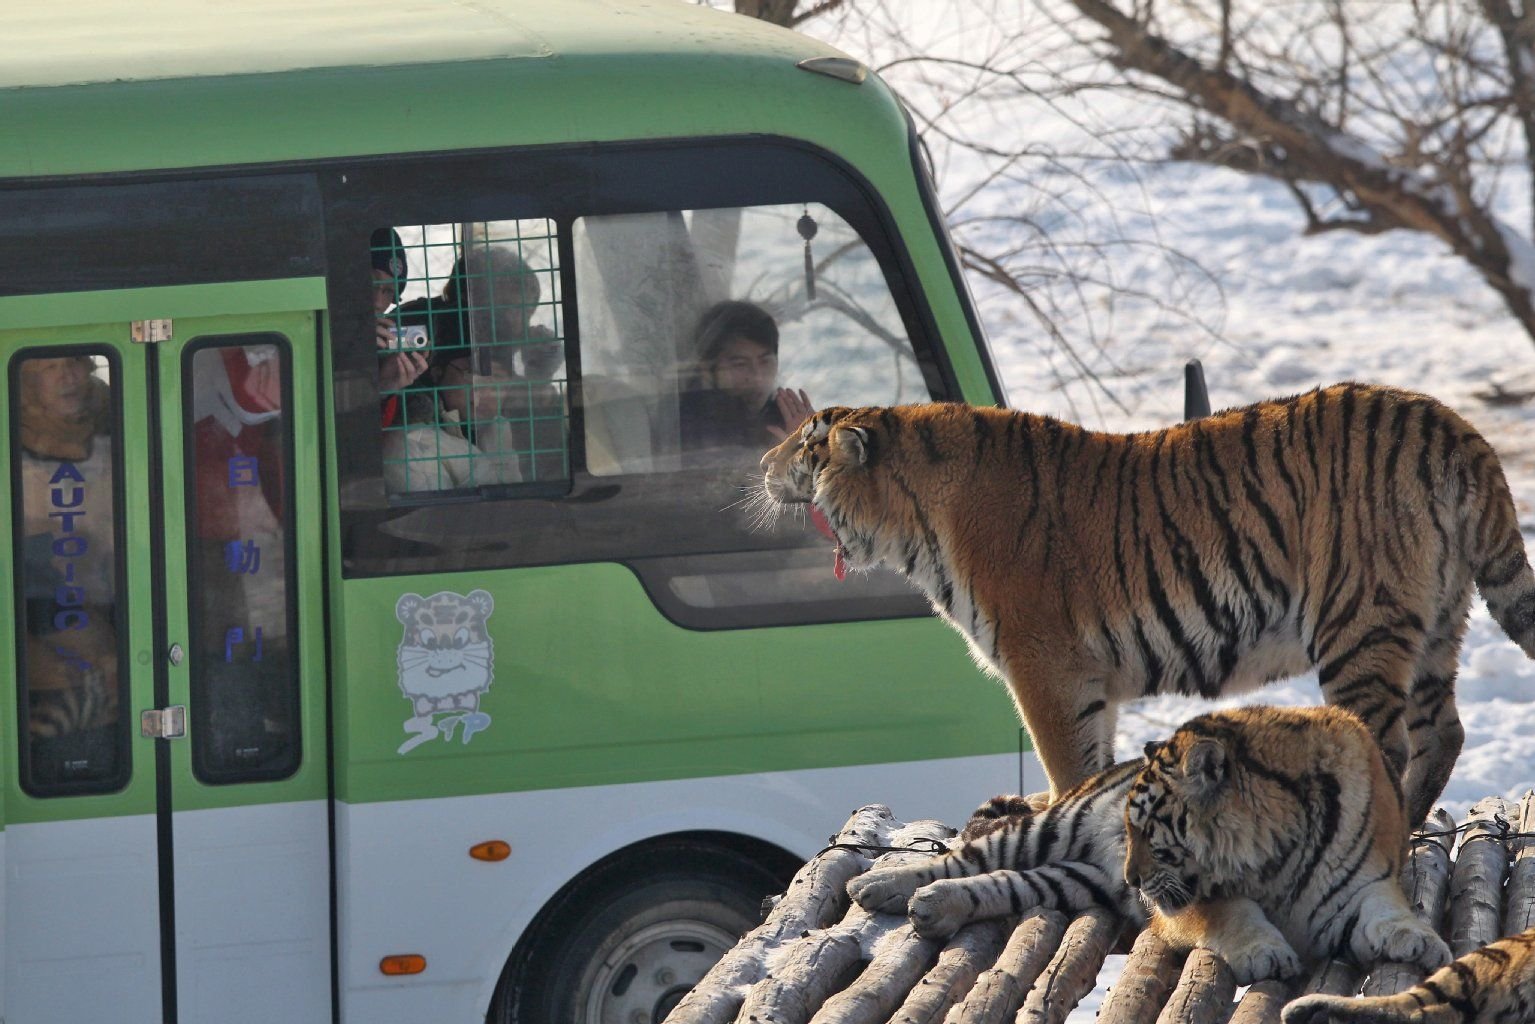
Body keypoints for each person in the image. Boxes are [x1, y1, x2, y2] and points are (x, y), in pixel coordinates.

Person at [15, 355, 121, 779]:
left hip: (109, 608)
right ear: (26, 384)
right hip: (36, 619)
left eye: (75, 363)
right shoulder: (11, 447)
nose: (68, 376)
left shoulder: (115, 433)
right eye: (50, 368)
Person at [382, 341, 525, 494]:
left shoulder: (499, 430)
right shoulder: (413, 443)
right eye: (471, 373)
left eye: (498, 378)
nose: (485, 392)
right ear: (437, 373)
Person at [679, 299, 813, 464]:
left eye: (765, 361)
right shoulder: (688, 426)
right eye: (740, 364)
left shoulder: (786, 419)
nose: (757, 376)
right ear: (707, 369)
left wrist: (817, 445)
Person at [371, 227, 430, 426]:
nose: (378, 302)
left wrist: (385, 388)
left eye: (388, 291)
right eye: (370, 283)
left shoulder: (381, 349)